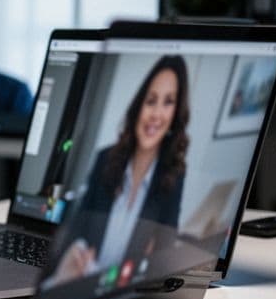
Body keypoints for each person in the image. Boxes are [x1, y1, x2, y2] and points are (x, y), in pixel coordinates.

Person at [50, 55, 190, 283]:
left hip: (125, 293)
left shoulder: (173, 177)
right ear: (139, 106)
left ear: (175, 114)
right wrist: (78, 248)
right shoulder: (105, 159)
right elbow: (79, 225)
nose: (156, 114)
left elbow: (165, 251)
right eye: (151, 100)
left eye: (168, 102)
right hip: (82, 282)